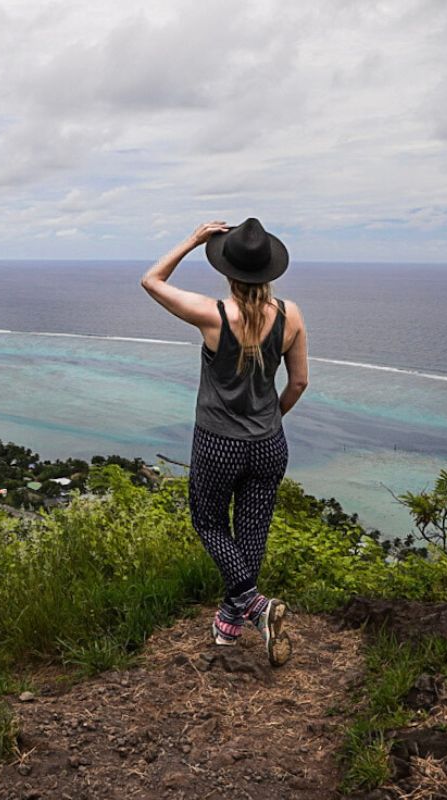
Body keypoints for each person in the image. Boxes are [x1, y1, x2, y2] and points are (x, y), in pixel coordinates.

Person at [140, 218, 309, 666]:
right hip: (269, 442)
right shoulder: (291, 315)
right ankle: (230, 624)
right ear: (269, 271)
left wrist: (194, 239)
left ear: (228, 271)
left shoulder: (214, 315)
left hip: (219, 443)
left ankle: (253, 606)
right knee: (252, 532)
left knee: (210, 523)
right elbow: (299, 383)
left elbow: (151, 280)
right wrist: (270, 418)